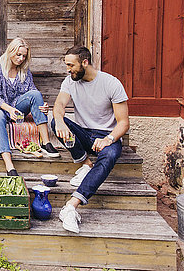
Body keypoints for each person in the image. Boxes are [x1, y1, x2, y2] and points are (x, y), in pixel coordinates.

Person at [51, 46, 129, 233]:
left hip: (106, 137)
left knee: (109, 156)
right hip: (84, 134)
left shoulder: (111, 83)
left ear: (84, 62)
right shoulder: (70, 81)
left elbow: (124, 123)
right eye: (67, 65)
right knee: (56, 122)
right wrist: (60, 122)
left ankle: (71, 206)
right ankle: (86, 164)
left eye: (71, 65)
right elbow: (60, 105)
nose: (68, 70)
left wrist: (108, 139)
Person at [0, 37, 60, 176]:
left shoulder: (24, 71)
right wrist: (9, 109)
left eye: (24, 56)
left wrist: (41, 107)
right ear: (11, 51)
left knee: (36, 94)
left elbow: (32, 93)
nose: (21, 59)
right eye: (18, 54)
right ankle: (9, 165)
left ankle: (46, 143)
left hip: (16, 108)